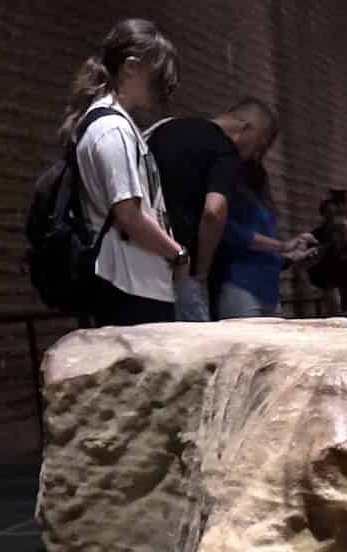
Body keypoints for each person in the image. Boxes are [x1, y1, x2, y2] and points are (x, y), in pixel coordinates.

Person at [61, 19, 189, 326]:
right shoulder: (112, 129)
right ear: (131, 67)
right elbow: (129, 215)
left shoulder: (114, 125)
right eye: (158, 77)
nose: (161, 91)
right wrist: (178, 254)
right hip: (130, 288)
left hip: (137, 285)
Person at [149, 100, 277, 323]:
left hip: (146, 261)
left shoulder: (165, 130)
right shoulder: (224, 150)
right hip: (184, 267)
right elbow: (213, 212)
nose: (254, 156)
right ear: (246, 128)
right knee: (194, 349)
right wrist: (202, 272)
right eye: (259, 146)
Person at [215, 159, 316, 318]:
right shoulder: (232, 198)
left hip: (269, 290)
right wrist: (284, 246)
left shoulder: (261, 203)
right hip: (242, 286)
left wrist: (290, 257)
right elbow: (239, 236)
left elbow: (263, 249)